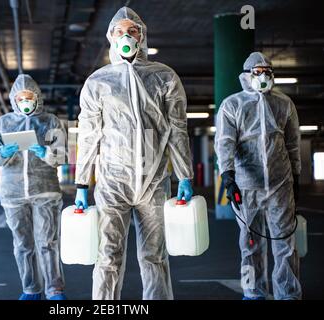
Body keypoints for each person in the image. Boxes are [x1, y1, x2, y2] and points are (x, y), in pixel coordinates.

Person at [74, 7, 194, 300]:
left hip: (153, 180)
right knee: (107, 255)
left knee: (154, 256)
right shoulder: (98, 82)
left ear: (142, 36)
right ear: (111, 38)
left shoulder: (164, 76)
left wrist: (185, 175)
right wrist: (81, 184)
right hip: (112, 181)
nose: (126, 36)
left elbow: (177, 128)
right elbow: (89, 135)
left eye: (133, 31)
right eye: (119, 31)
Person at [215, 52, 302, 300]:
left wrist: (295, 176)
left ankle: (289, 294)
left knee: (285, 243)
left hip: (280, 183)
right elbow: (224, 144)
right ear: (247, 75)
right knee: (250, 244)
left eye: (267, 72)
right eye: (257, 72)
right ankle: (253, 292)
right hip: (246, 184)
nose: (262, 76)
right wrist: (228, 177)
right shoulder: (233, 105)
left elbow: (293, 144)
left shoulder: (284, 104)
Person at [0, 74, 67, 300]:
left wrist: (47, 153)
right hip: (13, 193)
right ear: (14, 99)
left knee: (48, 241)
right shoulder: (3, 123)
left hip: (46, 191)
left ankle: (55, 289)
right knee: (23, 244)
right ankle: (31, 288)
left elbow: (62, 155)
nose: (25, 101)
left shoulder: (51, 121)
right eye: (21, 98)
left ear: (37, 98)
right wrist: (1, 153)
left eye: (29, 97)